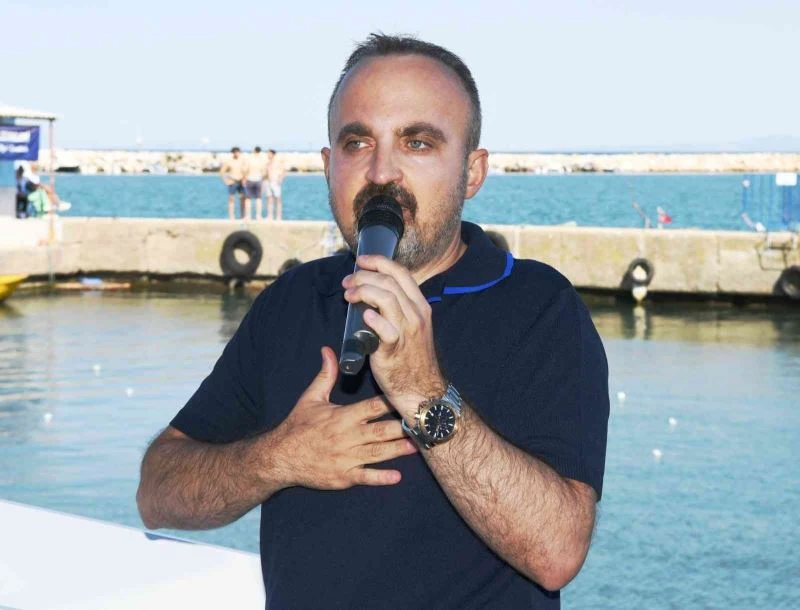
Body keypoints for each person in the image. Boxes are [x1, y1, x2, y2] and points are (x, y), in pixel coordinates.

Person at [137, 34, 609, 609]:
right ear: (328, 167)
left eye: (417, 142)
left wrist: (422, 392)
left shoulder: (539, 307)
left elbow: (557, 551)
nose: (382, 172)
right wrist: (278, 458)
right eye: (357, 142)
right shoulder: (292, 300)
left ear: (472, 172)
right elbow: (157, 493)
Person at [220, 146, 246, 220]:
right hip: (233, 181)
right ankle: (231, 216)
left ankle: (242, 215)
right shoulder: (229, 161)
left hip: (241, 181)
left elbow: (246, 171)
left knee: (243, 199)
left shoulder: (242, 161)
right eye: (235, 152)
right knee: (231, 199)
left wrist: (245, 179)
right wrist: (225, 181)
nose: (236, 154)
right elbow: (222, 171)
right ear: (233, 153)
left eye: (238, 152)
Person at [243, 146, 268, 220]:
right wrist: (263, 179)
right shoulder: (261, 160)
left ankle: (248, 216)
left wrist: (244, 178)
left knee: (248, 198)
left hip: (250, 179)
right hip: (258, 179)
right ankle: (258, 216)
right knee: (258, 198)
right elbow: (264, 171)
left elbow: (245, 169)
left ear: (254, 150)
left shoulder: (249, 159)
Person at [263, 149, 285, 221]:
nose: (268, 155)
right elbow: (265, 173)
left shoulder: (278, 163)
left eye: (269, 154)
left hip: (275, 182)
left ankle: (278, 216)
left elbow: (283, 171)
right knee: (269, 199)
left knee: (278, 199)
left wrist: (280, 179)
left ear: (273, 154)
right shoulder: (267, 163)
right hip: (268, 182)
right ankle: (270, 216)